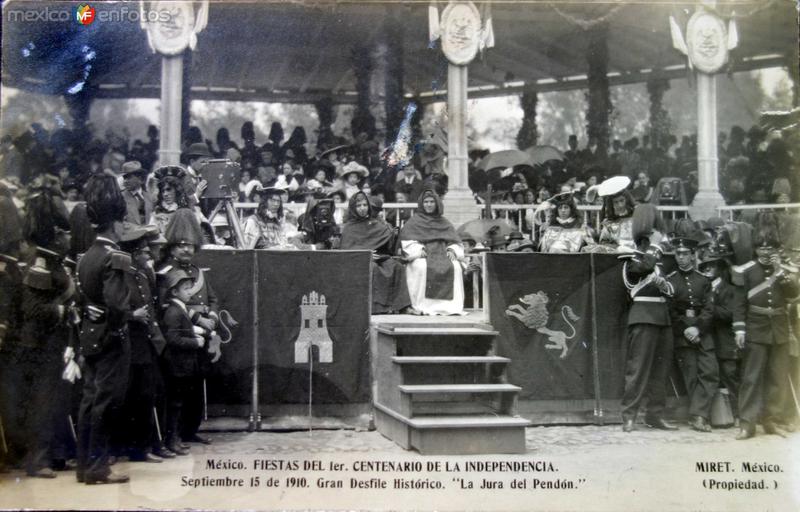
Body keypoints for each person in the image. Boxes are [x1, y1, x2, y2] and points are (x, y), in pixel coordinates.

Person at [75, 174, 131, 484]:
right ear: (117, 224)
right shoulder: (115, 257)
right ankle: (98, 467)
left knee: (89, 400)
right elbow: (118, 306)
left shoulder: (87, 257)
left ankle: (84, 465)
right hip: (111, 339)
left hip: (90, 335)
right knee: (105, 403)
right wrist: (117, 331)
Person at [732, 218, 800, 439]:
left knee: (777, 377)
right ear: (755, 248)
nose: (764, 251)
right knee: (751, 378)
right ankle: (747, 424)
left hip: (778, 329)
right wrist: (740, 329)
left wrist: (781, 273)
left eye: (769, 247)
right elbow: (740, 302)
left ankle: (772, 420)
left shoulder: (784, 270)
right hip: (755, 328)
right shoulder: (747, 271)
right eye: (760, 246)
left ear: (776, 248)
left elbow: (794, 296)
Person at [156, 209, 218, 447]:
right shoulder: (166, 273)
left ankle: (190, 431)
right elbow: (166, 304)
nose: (186, 250)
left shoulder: (197, 272)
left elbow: (212, 298)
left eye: (190, 245)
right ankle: (175, 435)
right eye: (181, 245)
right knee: (178, 391)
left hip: (201, 337)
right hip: (181, 336)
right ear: (172, 247)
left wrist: (211, 315)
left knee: (196, 388)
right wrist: (197, 319)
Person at [117, 224, 166, 463]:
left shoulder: (142, 275)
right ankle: (132, 447)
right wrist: (131, 315)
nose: (149, 255)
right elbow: (114, 309)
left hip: (145, 343)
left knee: (146, 394)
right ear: (135, 254)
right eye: (145, 252)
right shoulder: (121, 277)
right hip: (129, 344)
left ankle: (145, 446)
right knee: (131, 396)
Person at [620, 231, 677, 433]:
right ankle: (629, 416)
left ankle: (655, 415)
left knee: (660, 372)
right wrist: (655, 246)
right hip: (643, 316)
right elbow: (644, 267)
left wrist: (665, 286)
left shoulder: (656, 265)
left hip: (662, 318)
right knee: (638, 370)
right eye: (647, 243)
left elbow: (671, 290)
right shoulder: (631, 261)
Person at [666, 236, 718, 432]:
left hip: (703, 332)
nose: (681, 258)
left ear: (693, 255)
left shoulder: (703, 280)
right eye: (678, 254)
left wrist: (698, 328)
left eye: (685, 254)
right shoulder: (671, 281)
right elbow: (670, 311)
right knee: (691, 375)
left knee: (710, 372)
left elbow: (709, 308)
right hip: (682, 333)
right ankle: (699, 417)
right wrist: (685, 329)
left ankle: (699, 414)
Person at [340, 191, 412, 314]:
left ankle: (402, 306)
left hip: (378, 257)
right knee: (373, 268)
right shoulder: (349, 227)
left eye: (364, 205)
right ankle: (378, 308)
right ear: (353, 208)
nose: (362, 208)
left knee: (396, 266)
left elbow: (385, 243)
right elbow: (347, 249)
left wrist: (392, 234)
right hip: (358, 259)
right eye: (359, 206)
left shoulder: (374, 222)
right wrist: (365, 254)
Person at [160, 270, 206, 456]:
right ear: (174, 292)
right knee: (175, 405)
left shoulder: (179, 309)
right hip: (177, 366)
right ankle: (172, 440)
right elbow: (172, 339)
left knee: (178, 404)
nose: (190, 292)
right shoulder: (174, 312)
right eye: (186, 289)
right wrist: (195, 341)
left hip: (182, 366)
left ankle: (175, 439)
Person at [399, 189, 466, 315]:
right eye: (426, 202)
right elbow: (407, 240)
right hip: (423, 253)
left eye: (432, 202)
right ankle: (422, 305)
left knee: (455, 267)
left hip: (442, 252)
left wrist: (452, 249)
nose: (429, 205)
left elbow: (455, 241)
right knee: (421, 267)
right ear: (421, 204)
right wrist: (418, 250)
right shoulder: (414, 222)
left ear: (437, 204)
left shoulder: (444, 222)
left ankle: (450, 307)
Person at [698, 245, 746, 422]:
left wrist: (708, 309)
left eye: (711, 265)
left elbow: (730, 313)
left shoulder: (729, 289)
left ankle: (740, 414)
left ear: (719, 267)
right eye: (704, 266)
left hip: (725, 342)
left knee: (730, 377)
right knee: (712, 378)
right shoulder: (703, 288)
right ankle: (718, 416)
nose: (707, 269)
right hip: (708, 341)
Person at [121, 161, 153, 226]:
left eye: (129, 177)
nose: (125, 181)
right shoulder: (120, 198)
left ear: (140, 179)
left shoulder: (149, 197)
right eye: (124, 178)